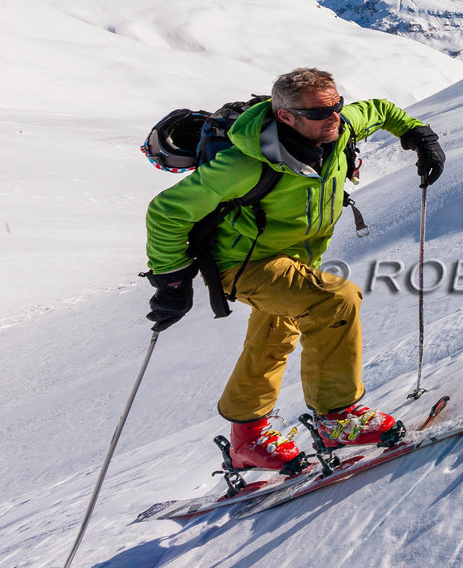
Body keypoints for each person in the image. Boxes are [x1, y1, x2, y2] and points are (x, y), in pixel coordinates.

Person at [142, 68, 446, 471]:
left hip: (297, 258)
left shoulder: (338, 126)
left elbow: (379, 109)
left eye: (337, 106)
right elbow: (166, 213)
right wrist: (172, 280)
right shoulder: (243, 165)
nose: (335, 117)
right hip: (243, 263)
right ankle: (337, 418)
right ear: (286, 117)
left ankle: (247, 439)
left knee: (274, 335)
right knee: (335, 300)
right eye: (322, 113)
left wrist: (418, 135)